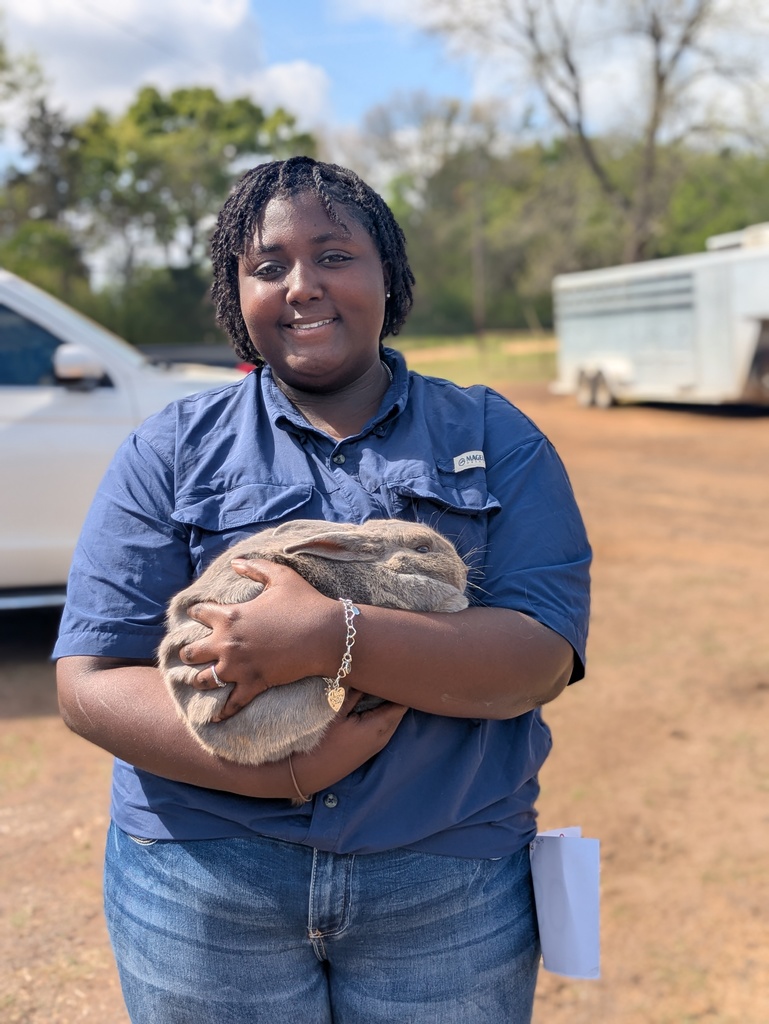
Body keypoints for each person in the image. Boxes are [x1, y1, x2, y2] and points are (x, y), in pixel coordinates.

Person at [55, 156, 591, 1024]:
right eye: (268, 267)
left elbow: (536, 658)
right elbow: (88, 684)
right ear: (237, 297)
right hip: (204, 879)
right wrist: (286, 775)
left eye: (335, 255)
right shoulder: (171, 449)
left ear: (389, 274)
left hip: (444, 876)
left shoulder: (494, 435)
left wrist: (328, 636)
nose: (302, 286)